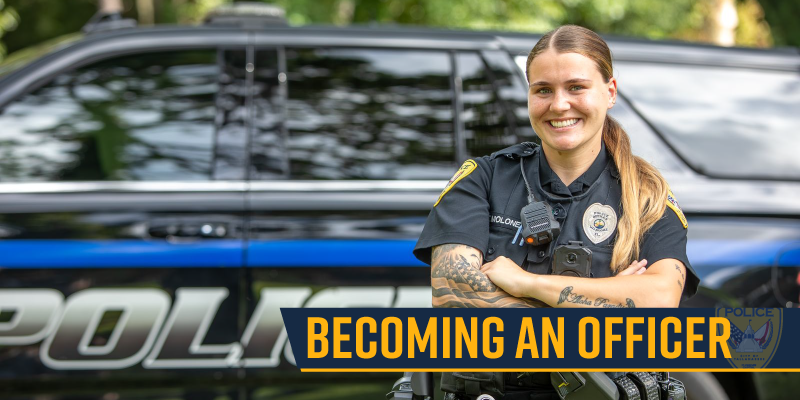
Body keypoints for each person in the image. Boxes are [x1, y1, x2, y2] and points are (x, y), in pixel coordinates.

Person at [413, 25, 700, 400]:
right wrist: (609, 307)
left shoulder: (646, 196)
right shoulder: (482, 179)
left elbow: (659, 301)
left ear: (609, 92)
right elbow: (455, 301)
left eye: (576, 87)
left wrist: (527, 284)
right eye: (543, 90)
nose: (559, 104)